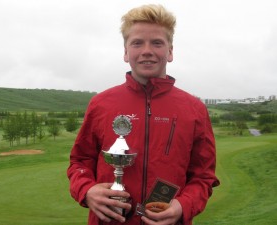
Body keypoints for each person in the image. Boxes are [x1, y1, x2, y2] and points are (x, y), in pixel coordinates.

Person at [67, 4, 219, 225]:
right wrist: (87, 190)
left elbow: (204, 176)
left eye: (157, 42)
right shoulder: (100, 103)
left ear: (170, 51)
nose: (147, 50)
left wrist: (183, 206)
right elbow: (79, 161)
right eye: (137, 43)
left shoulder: (194, 108)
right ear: (126, 52)